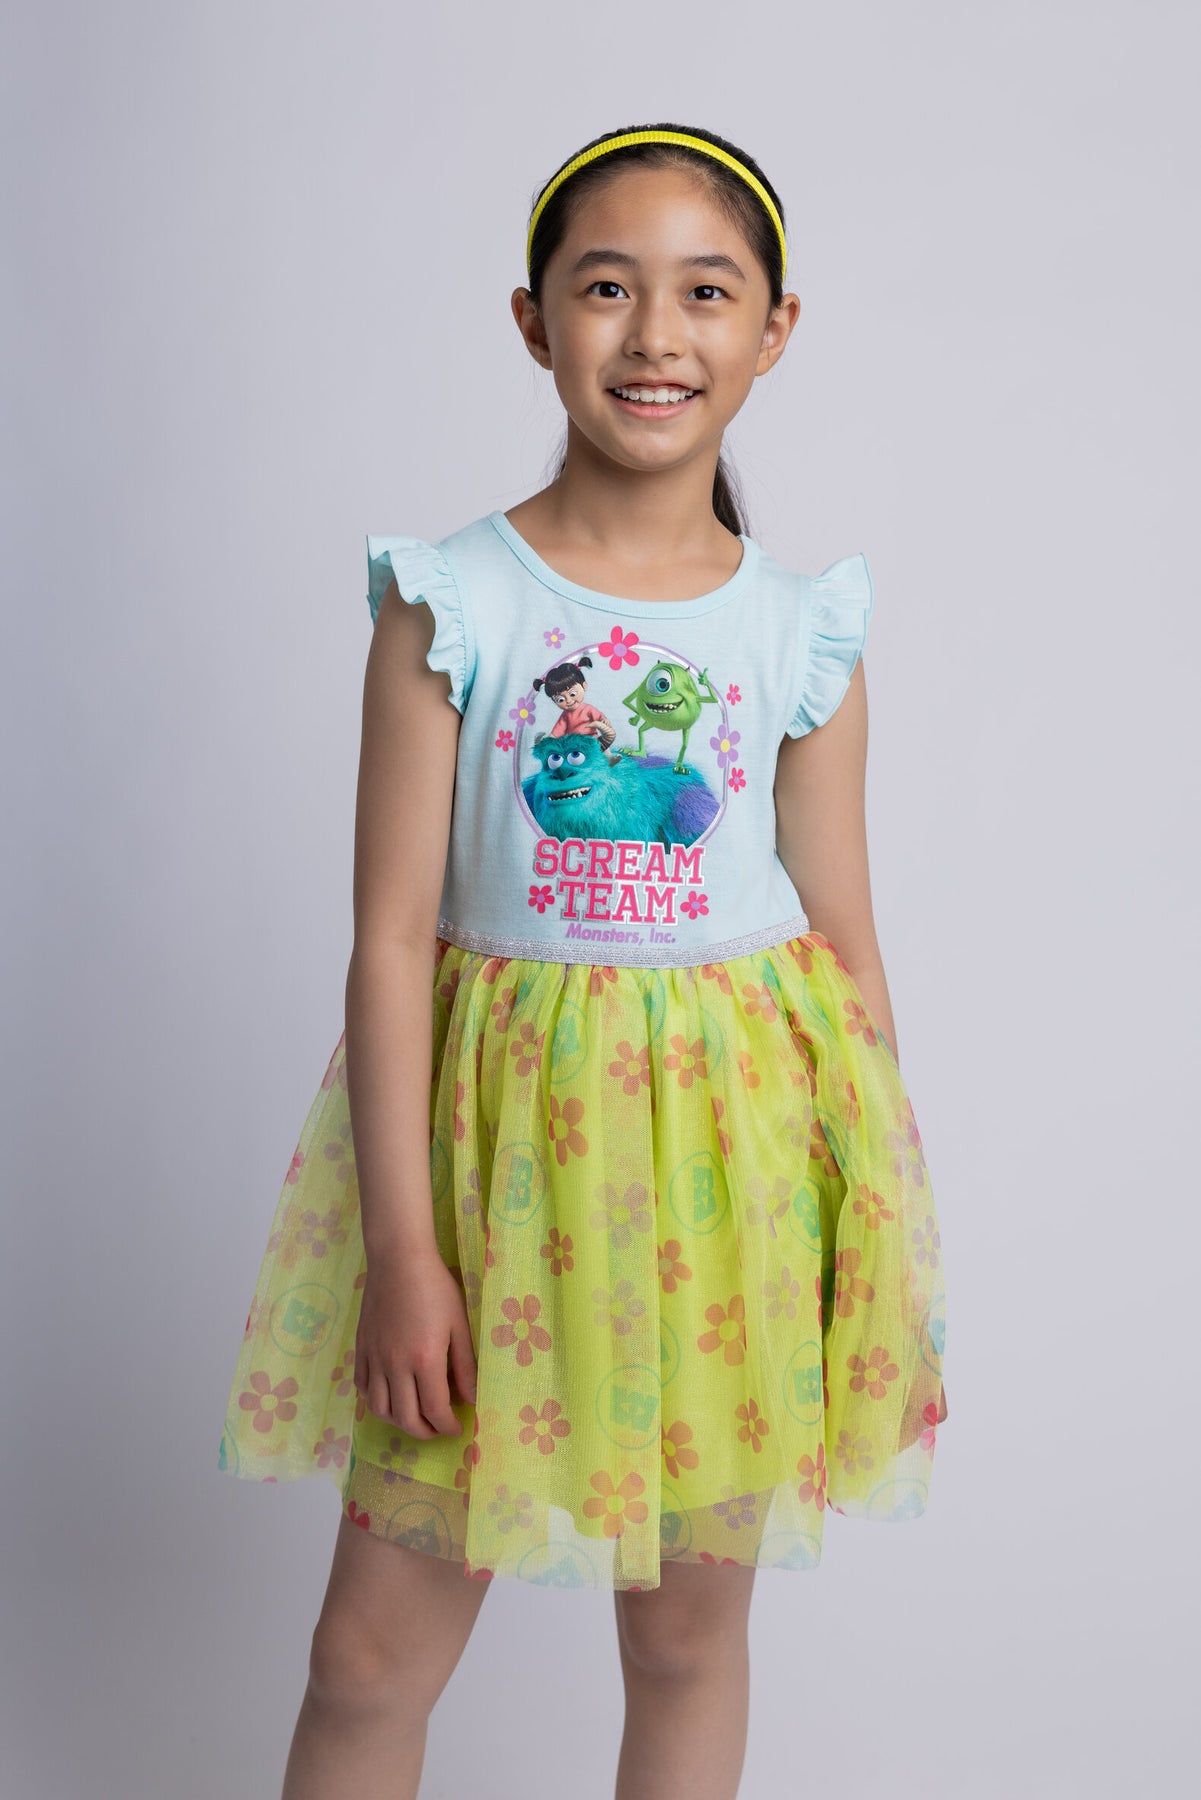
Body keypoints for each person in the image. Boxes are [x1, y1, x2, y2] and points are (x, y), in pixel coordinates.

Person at [218, 121, 949, 1800]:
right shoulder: (455, 603)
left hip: (727, 1188)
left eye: (706, 292)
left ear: (772, 330)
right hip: (490, 1179)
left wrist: (876, 1242)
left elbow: (843, 950)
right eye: (607, 288)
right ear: (533, 321)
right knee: (365, 1662)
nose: (654, 334)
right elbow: (389, 939)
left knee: (683, 1644)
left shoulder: (798, 628)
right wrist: (406, 1249)